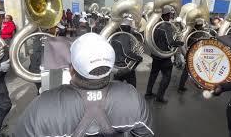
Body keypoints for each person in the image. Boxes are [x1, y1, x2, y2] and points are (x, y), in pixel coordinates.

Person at [13, 33, 153, 137]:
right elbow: (146, 134)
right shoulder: (132, 97)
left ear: (71, 68)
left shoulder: (41, 105)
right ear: (110, 67)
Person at [145, 7, 183, 103]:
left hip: (155, 55)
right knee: (167, 76)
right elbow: (170, 42)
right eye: (170, 14)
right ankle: (160, 97)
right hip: (164, 56)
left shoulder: (155, 25)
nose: (171, 16)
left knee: (153, 75)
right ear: (167, 15)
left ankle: (148, 93)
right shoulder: (166, 26)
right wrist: (179, 43)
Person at [112, 16, 143, 88]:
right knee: (132, 87)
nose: (130, 29)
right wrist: (138, 57)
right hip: (126, 67)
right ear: (126, 27)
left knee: (116, 88)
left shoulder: (114, 36)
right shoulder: (125, 36)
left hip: (117, 66)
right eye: (129, 27)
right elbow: (127, 53)